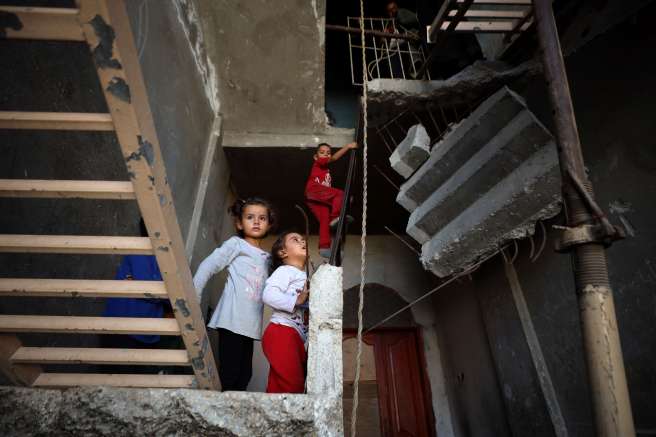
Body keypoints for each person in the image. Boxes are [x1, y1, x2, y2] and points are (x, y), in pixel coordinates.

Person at [193, 197, 276, 391]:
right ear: (239, 223)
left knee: (245, 375)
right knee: (230, 374)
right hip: (231, 320)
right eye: (250, 217)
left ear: (269, 224)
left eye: (262, 218)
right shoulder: (236, 245)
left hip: (249, 325)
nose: (256, 221)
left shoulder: (269, 258)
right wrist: (195, 296)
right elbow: (208, 266)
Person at [102, 219, 173, 374]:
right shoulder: (140, 249)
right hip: (121, 330)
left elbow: (173, 296)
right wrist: (163, 292)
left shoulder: (166, 259)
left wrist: (163, 293)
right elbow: (149, 289)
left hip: (143, 336)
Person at [261, 231, 310, 393]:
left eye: (304, 240)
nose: (303, 242)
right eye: (295, 240)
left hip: (296, 337)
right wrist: (297, 300)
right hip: (282, 331)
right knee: (292, 387)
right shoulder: (286, 271)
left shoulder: (304, 276)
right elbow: (268, 295)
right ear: (283, 252)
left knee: (279, 388)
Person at [304, 142, 357, 258]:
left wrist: (347, 147)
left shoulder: (326, 165)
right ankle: (336, 218)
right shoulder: (318, 163)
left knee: (324, 219)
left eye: (328, 153)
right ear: (315, 157)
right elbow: (332, 158)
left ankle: (324, 247)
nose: (326, 155)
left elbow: (333, 157)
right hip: (314, 190)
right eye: (322, 153)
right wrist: (348, 146)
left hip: (315, 199)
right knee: (341, 194)